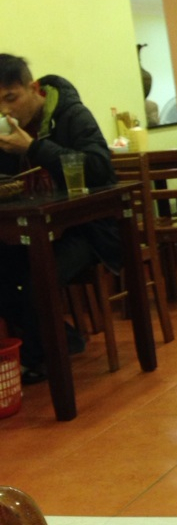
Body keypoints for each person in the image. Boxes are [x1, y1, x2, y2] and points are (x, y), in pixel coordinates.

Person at [0, 53, 120, 384]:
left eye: (11, 98)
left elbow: (99, 168)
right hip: (30, 230)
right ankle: (61, 340)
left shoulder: (71, 114)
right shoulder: (6, 129)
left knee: (36, 280)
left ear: (34, 88)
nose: (5, 111)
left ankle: (42, 358)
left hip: (86, 229)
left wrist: (33, 148)